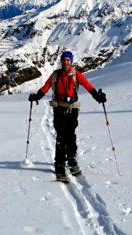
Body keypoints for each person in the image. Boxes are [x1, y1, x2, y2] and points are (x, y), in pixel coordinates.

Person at [29, 51, 107, 181]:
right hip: (58, 108)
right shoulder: (55, 75)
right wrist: (36, 96)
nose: (65, 62)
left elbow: (88, 86)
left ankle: (71, 160)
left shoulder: (77, 75)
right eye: (64, 60)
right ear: (61, 61)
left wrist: (98, 96)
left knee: (71, 136)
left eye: (68, 60)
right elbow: (45, 87)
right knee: (61, 136)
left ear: (71, 61)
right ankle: (59, 164)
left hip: (72, 110)